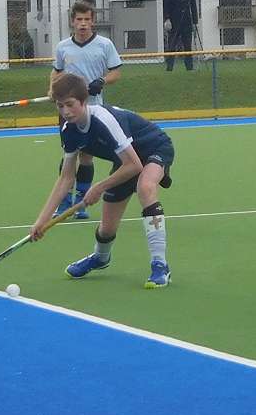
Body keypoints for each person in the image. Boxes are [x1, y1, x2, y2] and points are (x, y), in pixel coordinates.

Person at [30, 71, 175, 289]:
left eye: (70, 104)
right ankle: (100, 258)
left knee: (145, 187)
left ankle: (160, 265)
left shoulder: (103, 120)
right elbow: (66, 178)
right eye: (60, 106)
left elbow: (135, 166)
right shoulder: (69, 130)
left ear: (83, 101)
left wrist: (99, 187)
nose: (65, 111)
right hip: (125, 160)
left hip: (153, 148)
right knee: (107, 228)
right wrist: (42, 220)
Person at [50, 0, 121, 220]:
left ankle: (81, 203)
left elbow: (116, 72)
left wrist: (102, 81)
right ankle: (63, 202)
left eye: (87, 19)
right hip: (69, 111)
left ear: (93, 21)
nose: (83, 24)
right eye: (79, 19)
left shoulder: (104, 44)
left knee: (87, 156)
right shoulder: (63, 47)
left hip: (93, 109)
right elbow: (56, 72)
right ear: (72, 21)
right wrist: (52, 89)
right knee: (69, 154)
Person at [162, 0, 200, 71]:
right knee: (172, 45)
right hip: (174, 22)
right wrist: (167, 19)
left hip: (187, 22)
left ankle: (189, 67)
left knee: (188, 46)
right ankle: (169, 67)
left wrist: (195, 22)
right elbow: (166, 5)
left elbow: (193, 6)